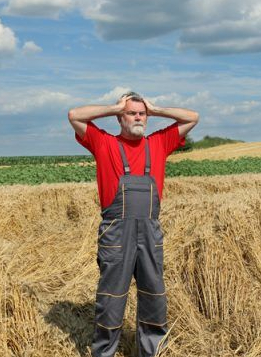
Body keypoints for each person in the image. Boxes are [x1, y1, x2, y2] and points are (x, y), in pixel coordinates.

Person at [68, 91, 199, 357]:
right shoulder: (103, 143)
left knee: (154, 295)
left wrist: (156, 108)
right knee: (112, 298)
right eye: (131, 113)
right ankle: (104, 352)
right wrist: (114, 106)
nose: (138, 117)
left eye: (142, 114)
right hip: (117, 232)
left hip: (150, 231)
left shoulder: (159, 143)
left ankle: (150, 352)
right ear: (120, 118)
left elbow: (193, 117)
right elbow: (74, 115)